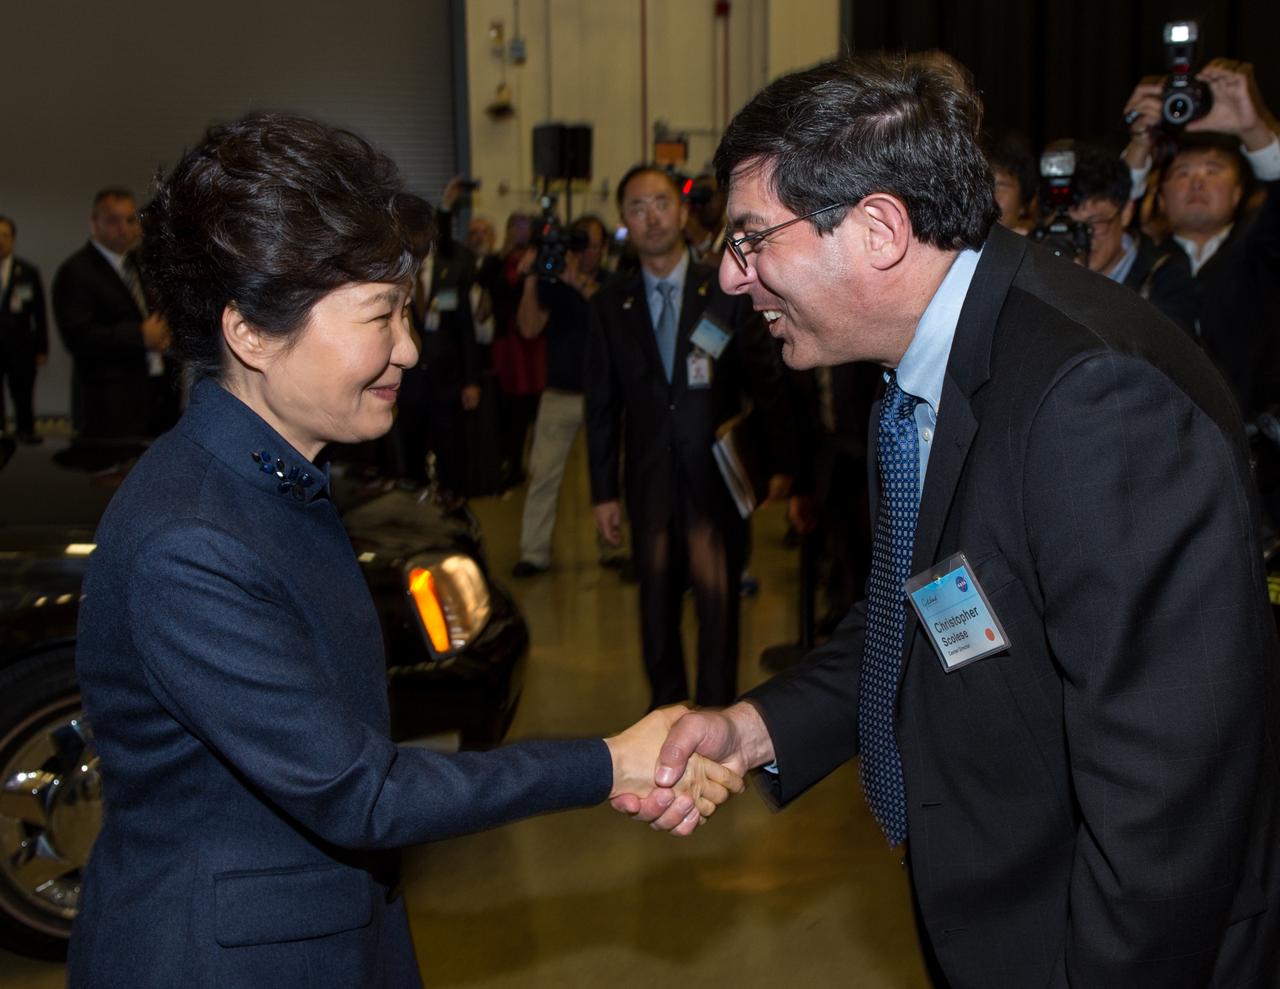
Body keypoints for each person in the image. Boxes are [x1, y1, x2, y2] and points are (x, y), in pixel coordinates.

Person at [621, 52, 1280, 987]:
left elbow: (1166, 801)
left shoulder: (1093, 401)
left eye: (752, 239)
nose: (732, 278)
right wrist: (753, 727)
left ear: (879, 228)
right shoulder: (925, 368)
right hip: (1002, 911)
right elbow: (921, 606)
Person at [68, 113, 741, 989]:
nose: (410, 349)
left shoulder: (270, 478)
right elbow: (364, 791)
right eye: (381, 316)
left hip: (334, 922)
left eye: (409, 312)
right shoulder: (188, 540)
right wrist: (610, 760)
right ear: (251, 332)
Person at [585, 165, 793, 710]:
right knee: (655, 607)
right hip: (648, 481)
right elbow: (601, 405)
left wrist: (777, 465)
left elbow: (764, 382)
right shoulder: (610, 304)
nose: (651, 217)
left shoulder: (723, 290)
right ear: (624, 222)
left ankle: (717, 718)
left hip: (714, 479)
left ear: (682, 213)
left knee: (718, 605)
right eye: (637, 208)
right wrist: (602, 492)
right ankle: (667, 713)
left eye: (661, 203)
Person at [1122, 58, 1280, 421]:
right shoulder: (1140, 258)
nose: (1197, 182)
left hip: (1256, 436)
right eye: (1182, 173)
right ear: (1160, 197)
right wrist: (1139, 144)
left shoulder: (1261, 249)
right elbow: (1104, 219)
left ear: (1238, 193)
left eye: (1213, 171)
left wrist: (1253, 129)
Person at [512, 214, 608, 576]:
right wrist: (530, 278)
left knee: (610, 476)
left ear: (603, 249)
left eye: (593, 246)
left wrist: (576, 281)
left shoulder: (611, 283)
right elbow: (528, 328)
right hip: (559, 393)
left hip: (603, 395)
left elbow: (611, 315)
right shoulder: (551, 282)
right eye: (580, 246)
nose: (586, 254)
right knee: (542, 476)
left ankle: (613, 547)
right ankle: (533, 553)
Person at [52, 188, 176, 438]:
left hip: (153, 392)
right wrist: (140, 335)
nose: (124, 229)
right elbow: (79, 337)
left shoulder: (139, 264)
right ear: (94, 223)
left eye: (130, 220)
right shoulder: (76, 271)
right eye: (113, 221)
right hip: (108, 401)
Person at [1064, 146, 1198, 333]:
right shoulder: (1047, 268)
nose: (1082, 238)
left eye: (1095, 223)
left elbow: (1167, 346)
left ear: (1126, 212)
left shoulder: (1165, 275)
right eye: (1070, 225)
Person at [0, 215, 48, 443]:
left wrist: (42, 348)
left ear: (13, 239)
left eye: (5, 235)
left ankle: (26, 440)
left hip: (21, 348)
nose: (0, 240)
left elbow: (40, 313)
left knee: (23, 398)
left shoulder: (27, 272)